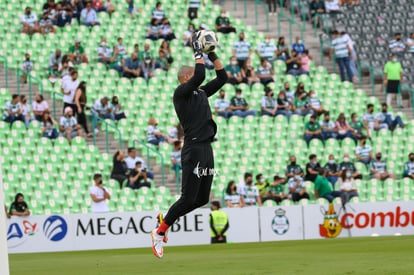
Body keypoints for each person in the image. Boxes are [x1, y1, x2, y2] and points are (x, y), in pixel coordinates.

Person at [151, 31, 227, 258]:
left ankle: (165, 220)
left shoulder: (201, 93)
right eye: (193, 75)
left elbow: (223, 78)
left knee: (202, 199)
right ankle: (159, 232)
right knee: (187, 198)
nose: (197, 76)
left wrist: (212, 53)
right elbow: (201, 75)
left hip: (206, 148)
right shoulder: (181, 94)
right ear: (186, 78)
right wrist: (196, 48)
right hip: (193, 149)